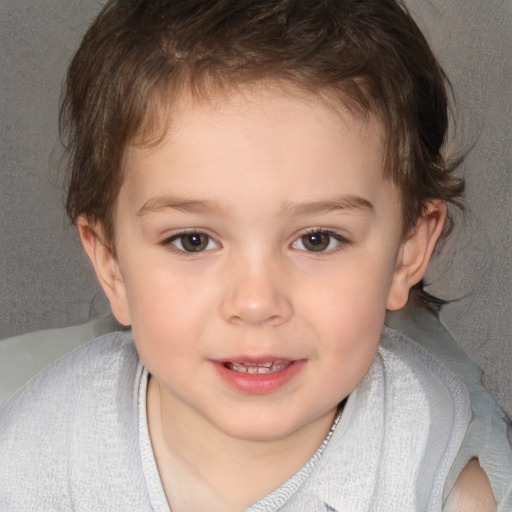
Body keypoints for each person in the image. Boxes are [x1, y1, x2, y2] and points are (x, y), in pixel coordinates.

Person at [0, 0, 509, 510]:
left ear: (407, 251)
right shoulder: (43, 449)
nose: (256, 302)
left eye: (317, 239)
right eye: (192, 241)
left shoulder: (439, 478)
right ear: (112, 265)